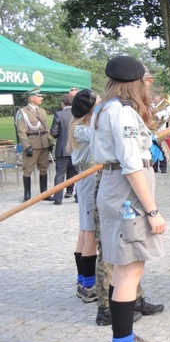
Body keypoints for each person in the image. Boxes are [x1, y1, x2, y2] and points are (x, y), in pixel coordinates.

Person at [91, 55, 165, 342]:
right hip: (127, 194)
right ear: (134, 83)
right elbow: (133, 166)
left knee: (125, 268)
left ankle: (126, 339)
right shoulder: (121, 113)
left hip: (115, 187)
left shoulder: (104, 108)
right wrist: (152, 210)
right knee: (128, 271)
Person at [67, 89, 100, 302]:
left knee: (84, 233)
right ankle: (88, 286)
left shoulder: (81, 127)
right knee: (90, 235)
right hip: (89, 179)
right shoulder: (81, 129)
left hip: (88, 177)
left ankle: (82, 280)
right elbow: (101, 134)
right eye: (97, 103)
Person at [16, 88, 55, 202]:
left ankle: (44, 193)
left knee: (44, 167)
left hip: (43, 142)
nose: (41, 98)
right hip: (32, 143)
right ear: (32, 98)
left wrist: (50, 141)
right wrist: (26, 146)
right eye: (39, 96)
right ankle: (27, 194)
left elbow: (46, 128)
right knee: (28, 168)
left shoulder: (42, 111)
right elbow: (21, 131)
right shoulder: (23, 112)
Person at [51, 93, 79, 204]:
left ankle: (58, 198)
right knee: (77, 174)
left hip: (62, 149)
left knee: (60, 174)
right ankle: (78, 196)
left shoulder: (59, 114)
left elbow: (54, 132)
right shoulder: (78, 114)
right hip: (76, 148)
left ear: (63, 103)